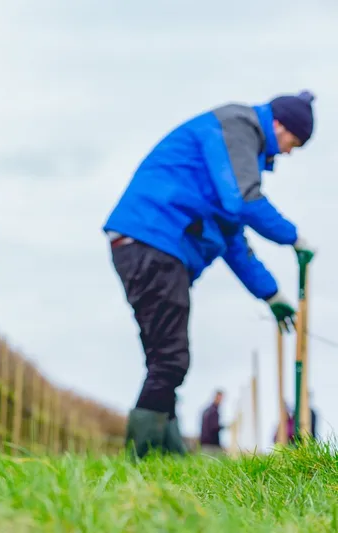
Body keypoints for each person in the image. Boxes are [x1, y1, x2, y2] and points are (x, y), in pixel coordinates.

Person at [103, 91, 318, 459]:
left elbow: (233, 239)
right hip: (153, 239)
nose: (287, 153)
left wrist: (271, 295)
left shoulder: (230, 160)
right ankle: (139, 460)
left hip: (154, 245)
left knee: (166, 359)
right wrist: (292, 236)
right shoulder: (237, 127)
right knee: (169, 360)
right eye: (292, 143)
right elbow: (244, 200)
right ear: (279, 125)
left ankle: (167, 457)